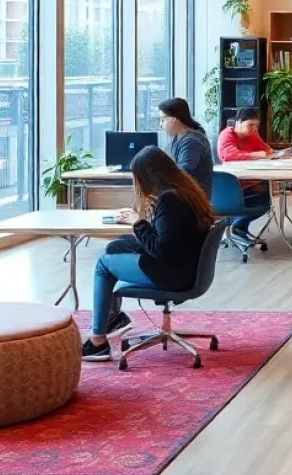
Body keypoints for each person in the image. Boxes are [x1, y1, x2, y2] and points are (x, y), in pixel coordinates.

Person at [82, 146, 214, 361]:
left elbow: (160, 249)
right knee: (114, 248)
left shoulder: (170, 200)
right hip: (187, 265)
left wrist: (138, 222)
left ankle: (97, 340)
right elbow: (170, 239)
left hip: (173, 273)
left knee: (103, 265)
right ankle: (114, 318)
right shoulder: (186, 191)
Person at [216, 106, 276, 240]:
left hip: (249, 180)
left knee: (266, 197)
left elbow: (266, 150)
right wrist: (255, 155)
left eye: (256, 126)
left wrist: (273, 153)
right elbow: (228, 155)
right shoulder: (227, 134)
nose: (254, 129)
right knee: (263, 202)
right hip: (234, 185)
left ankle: (240, 229)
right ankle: (236, 226)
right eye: (250, 125)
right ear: (238, 122)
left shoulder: (252, 135)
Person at [158, 97, 213, 199]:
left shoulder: (192, 141)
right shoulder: (177, 138)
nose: (160, 125)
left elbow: (183, 172)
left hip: (194, 202)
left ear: (175, 119)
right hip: (183, 196)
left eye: (163, 120)